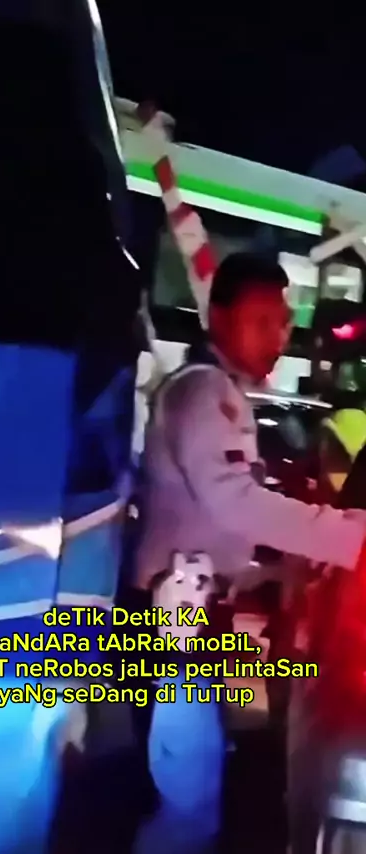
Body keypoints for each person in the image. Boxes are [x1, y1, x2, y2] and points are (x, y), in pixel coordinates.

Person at [132, 252, 366, 854]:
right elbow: (233, 501)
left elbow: (215, 519)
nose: (278, 337)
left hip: (195, 614)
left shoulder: (221, 393)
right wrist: (348, 535)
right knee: (187, 804)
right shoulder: (201, 392)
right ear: (219, 317)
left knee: (195, 790)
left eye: (283, 323)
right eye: (262, 321)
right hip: (174, 618)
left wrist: (270, 569)